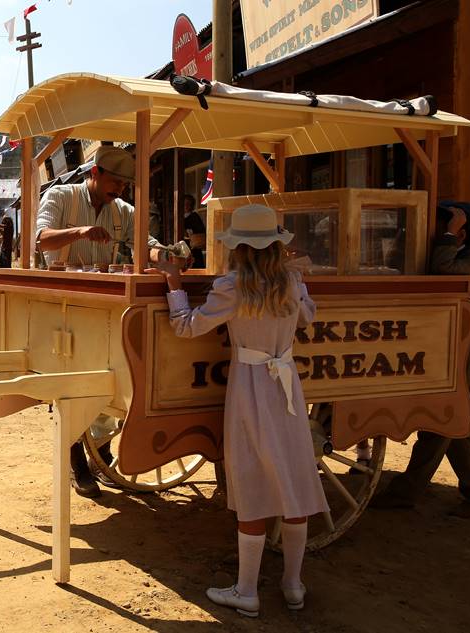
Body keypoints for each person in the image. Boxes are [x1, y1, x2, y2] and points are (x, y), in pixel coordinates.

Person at [148, 204, 328, 617]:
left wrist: (174, 284)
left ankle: (247, 589)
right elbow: (308, 318)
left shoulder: (232, 286)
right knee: (294, 477)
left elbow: (187, 325)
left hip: (249, 387)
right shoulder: (292, 281)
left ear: (239, 247)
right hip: (287, 387)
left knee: (252, 480)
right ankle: (293, 584)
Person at [35, 145, 166, 498]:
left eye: (124, 185)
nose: (120, 190)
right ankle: (78, 458)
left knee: (114, 380)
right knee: (73, 385)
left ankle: (103, 454)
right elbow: (41, 240)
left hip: (106, 313)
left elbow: (146, 244)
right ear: (95, 174)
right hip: (65, 310)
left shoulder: (123, 211)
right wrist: (80, 232)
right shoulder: (60, 196)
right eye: (115, 183)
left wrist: (163, 256)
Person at [371, 202, 470, 518]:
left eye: (446, 226)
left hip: (461, 356)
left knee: (441, 426)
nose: (439, 231)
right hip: (437, 352)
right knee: (453, 425)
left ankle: (406, 492)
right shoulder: (440, 251)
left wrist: (449, 236)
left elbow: (444, 275)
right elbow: (394, 263)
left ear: (461, 231)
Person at [182, 194, 207, 269]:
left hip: (193, 249)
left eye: (188, 204)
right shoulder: (180, 216)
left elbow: (199, 231)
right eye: (184, 204)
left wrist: (188, 232)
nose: (186, 206)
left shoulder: (194, 217)